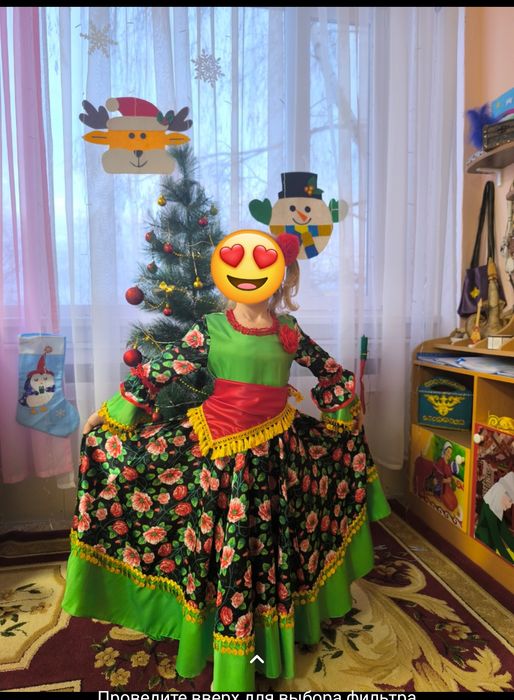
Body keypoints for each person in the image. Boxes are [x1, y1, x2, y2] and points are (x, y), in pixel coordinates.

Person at [62, 229, 391, 691]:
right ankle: (220, 636)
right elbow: (160, 368)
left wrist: (344, 416)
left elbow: (331, 372)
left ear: (281, 279)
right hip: (216, 452)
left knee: (266, 544)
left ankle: (261, 639)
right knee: (220, 545)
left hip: (277, 454)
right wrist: (115, 412)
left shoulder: (288, 331)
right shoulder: (210, 329)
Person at [475, 471, 514, 564]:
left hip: (491, 544)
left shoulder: (496, 508)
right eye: (510, 501)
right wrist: (511, 562)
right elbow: (496, 538)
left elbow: (505, 533)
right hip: (484, 544)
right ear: (501, 494)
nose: (510, 506)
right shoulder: (490, 509)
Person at [433, 441, 458, 512]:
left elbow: (450, 474)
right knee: (451, 506)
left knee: (455, 502)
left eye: (450, 453)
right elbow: (437, 478)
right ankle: (437, 495)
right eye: (448, 452)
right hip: (441, 488)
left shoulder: (449, 464)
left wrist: (451, 479)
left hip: (447, 487)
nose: (449, 454)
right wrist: (446, 480)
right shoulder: (441, 461)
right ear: (444, 451)